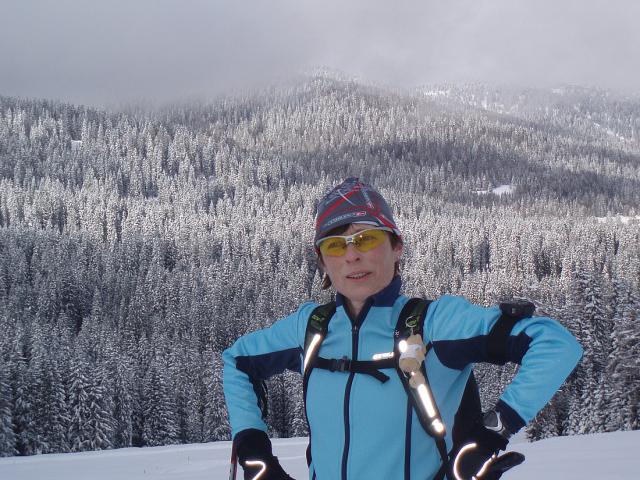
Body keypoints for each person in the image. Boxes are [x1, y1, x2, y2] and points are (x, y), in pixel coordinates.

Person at [223, 178, 583, 480]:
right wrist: (254, 451)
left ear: (396, 246)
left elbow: (555, 344)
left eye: (366, 238)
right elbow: (237, 361)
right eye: (335, 245)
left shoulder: (433, 323)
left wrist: (491, 435)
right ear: (322, 261)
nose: (351, 255)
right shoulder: (311, 327)